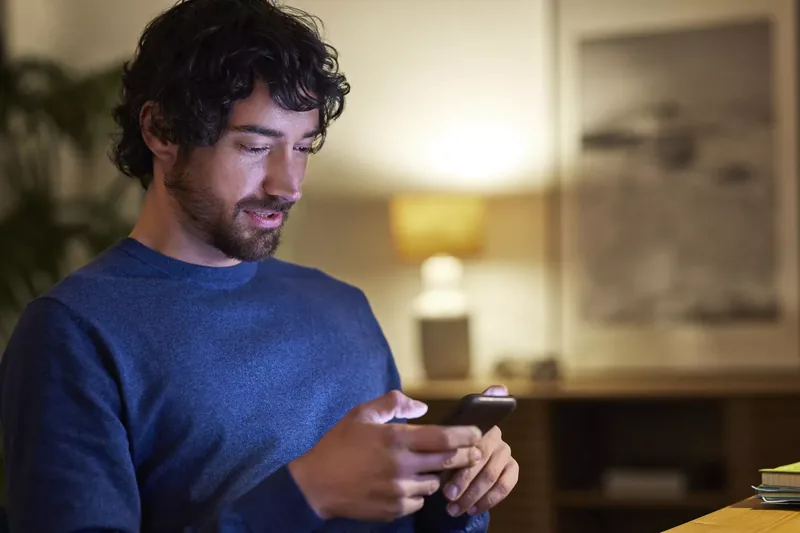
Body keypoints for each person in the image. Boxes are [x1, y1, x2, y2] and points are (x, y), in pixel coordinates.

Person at [0, 0, 519, 531]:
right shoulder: (73, 331)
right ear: (161, 131)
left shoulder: (343, 306)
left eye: (303, 146)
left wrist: (455, 498)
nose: (288, 184)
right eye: (254, 146)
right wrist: (309, 491)